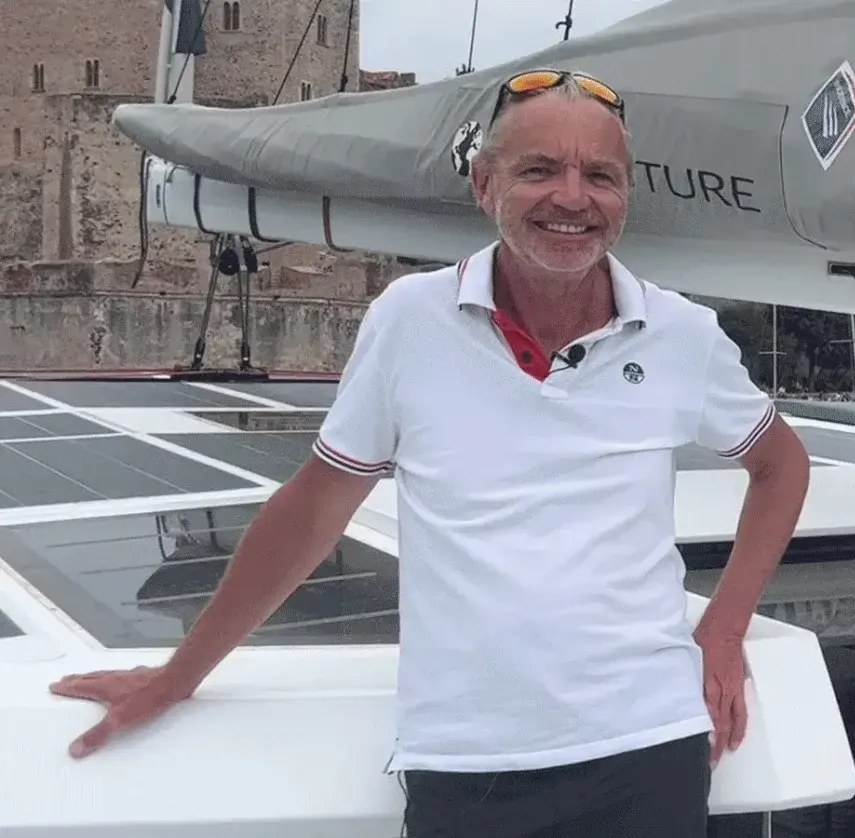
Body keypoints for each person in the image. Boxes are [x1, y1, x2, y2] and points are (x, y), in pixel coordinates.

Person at [47, 68, 813, 838]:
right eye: (540, 170)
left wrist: (725, 626)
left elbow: (780, 466)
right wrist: (180, 675)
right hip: (466, 761)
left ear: (625, 197)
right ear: (484, 185)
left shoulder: (681, 335)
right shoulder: (411, 321)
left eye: (600, 176)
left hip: (648, 748)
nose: (572, 197)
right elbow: (313, 512)